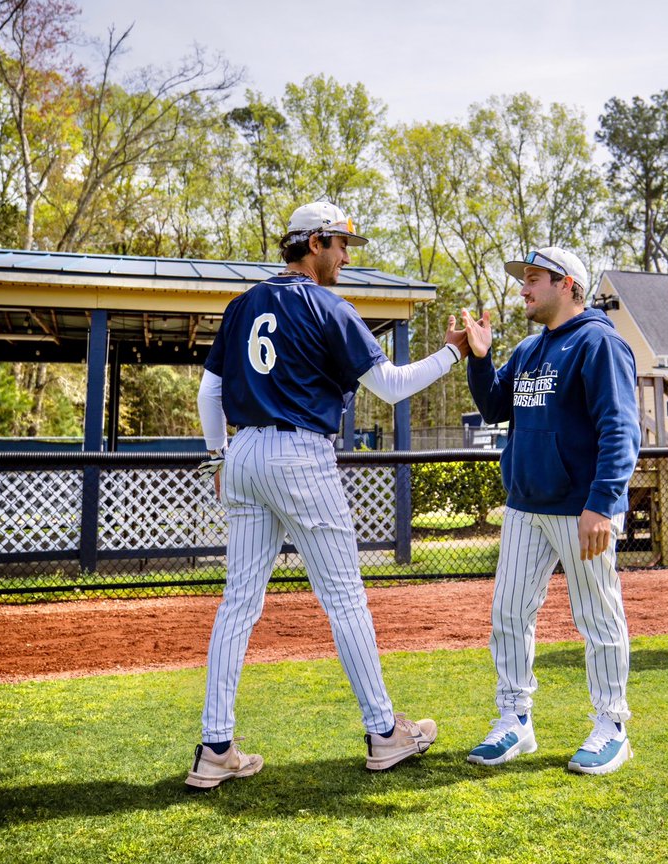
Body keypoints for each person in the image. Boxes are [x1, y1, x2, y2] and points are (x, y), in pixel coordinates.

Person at [186, 201, 469, 790]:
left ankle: (216, 748)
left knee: (238, 603)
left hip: (242, 454)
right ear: (313, 243)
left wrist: (217, 456)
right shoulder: (326, 303)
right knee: (344, 598)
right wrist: (453, 353)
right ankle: (384, 732)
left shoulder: (241, 306)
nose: (346, 256)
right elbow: (389, 388)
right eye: (341, 245)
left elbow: (210, 392)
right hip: (299, 454)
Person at [460, 247, 640, 777]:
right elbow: (495, 407)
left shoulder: (600, 342)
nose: (523, 289)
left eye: (533, 279)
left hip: (581, 507)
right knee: (509, 614)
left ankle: (612, 725)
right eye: (523, 280)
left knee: (597, 615)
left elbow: (621, 430)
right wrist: (480, 355)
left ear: (567, 285)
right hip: (525, 506)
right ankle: (515, 719)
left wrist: (602, 504)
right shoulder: (528, 349)